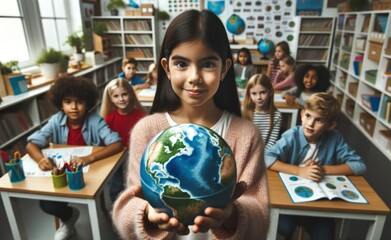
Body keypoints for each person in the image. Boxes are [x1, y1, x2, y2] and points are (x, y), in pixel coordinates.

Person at [112, 9, 269, 239]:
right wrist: (146, 213)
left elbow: (260, 218)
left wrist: (234, 215)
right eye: (181, 64)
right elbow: (126, 211)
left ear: (225, 68)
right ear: (166, 68)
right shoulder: (146, 131)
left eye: (207, 64)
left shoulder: (246, 135)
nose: (194, 76)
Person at [26, 75, 123, 240]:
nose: (74, 107)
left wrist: (89, 158)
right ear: (61, 104)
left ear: (87, 104)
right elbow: (31, 145)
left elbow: (117, 144)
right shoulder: (56, 120)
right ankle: (68, 218)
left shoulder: (95, 121)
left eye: (79, 102)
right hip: (64, 173)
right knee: (46, 203)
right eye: (68, 102)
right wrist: (40, 159)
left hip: (90, 174)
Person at [265, 93, 367, 240]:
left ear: (330, 125)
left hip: (321, 203)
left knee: (324, 235)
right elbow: (266, 157)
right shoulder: (291, 136)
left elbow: (359, 166)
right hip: (290, 199)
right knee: (285, 228)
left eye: (319, 120)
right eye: (308, 116)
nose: (310, 124)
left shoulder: (335, 138)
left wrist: (323, 170)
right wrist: (300, 171)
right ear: (302, 115)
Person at [100, 78, 147, 202]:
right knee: (115, 188)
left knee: (137, 187)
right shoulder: (108, 118)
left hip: (136, 157)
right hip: (116, 159)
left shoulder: (141, 116)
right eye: (116, 96)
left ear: (131, 94)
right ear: (110, 98)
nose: (121, 99)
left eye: (124, 94)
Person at [242, 73, 282, 149]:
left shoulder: (276, 116)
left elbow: (271, 143)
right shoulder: (243, 113)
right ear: (249, 95)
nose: (259, 97)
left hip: (264, 155)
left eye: (263, 92)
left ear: (270, 92)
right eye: (254, 93)